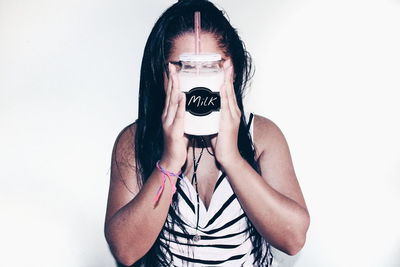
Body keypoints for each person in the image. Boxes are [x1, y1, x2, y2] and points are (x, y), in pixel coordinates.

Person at [104, 0, 310, 266]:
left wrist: (233, 159)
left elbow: (293, 239)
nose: (198, 79)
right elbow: (126, 251)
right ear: (163, 75)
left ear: (232, 70)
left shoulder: (261, 136)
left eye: (212, 65)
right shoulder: (135, 140)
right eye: (184, 66)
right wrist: (169, 163)